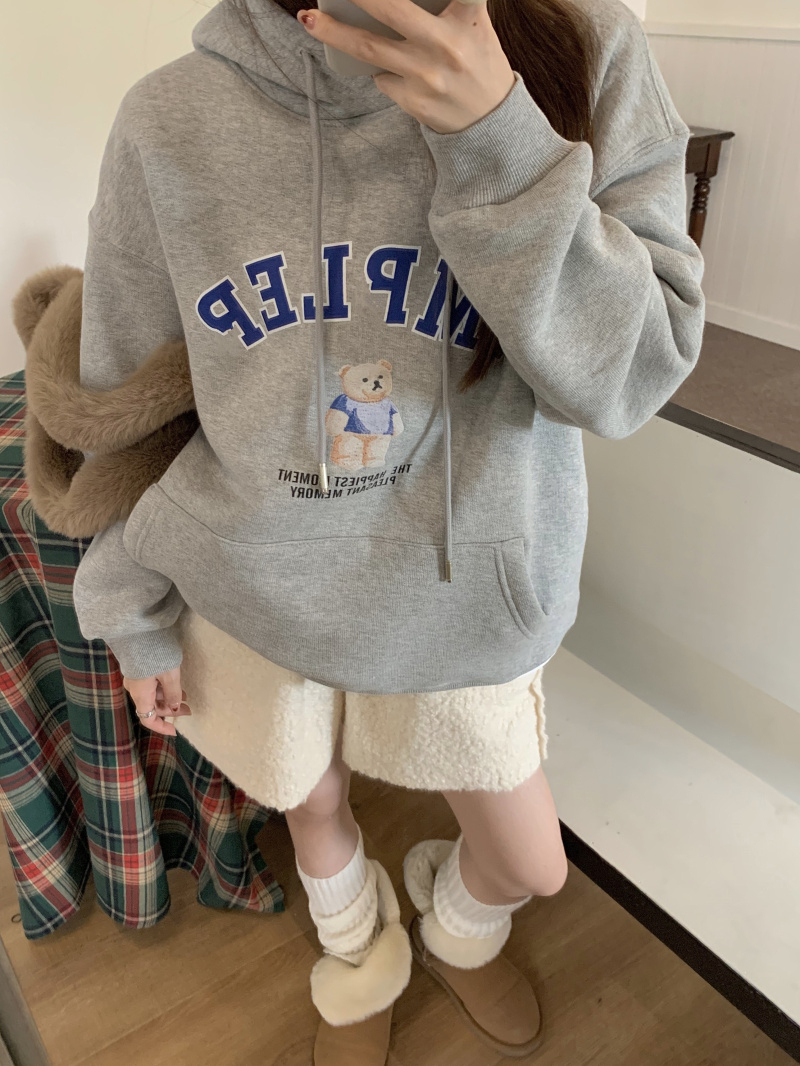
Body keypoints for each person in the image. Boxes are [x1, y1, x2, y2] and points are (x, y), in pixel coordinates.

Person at [70, 0, 705, 1061]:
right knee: (312, 807)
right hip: (255, 583)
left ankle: (459, 928)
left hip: (464, 586)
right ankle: (359, 959)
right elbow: (123, 398)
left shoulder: (586, 42)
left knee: (532, 862)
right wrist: (129, 612)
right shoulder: (170, 116)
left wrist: (500, 143)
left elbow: (633, 373)